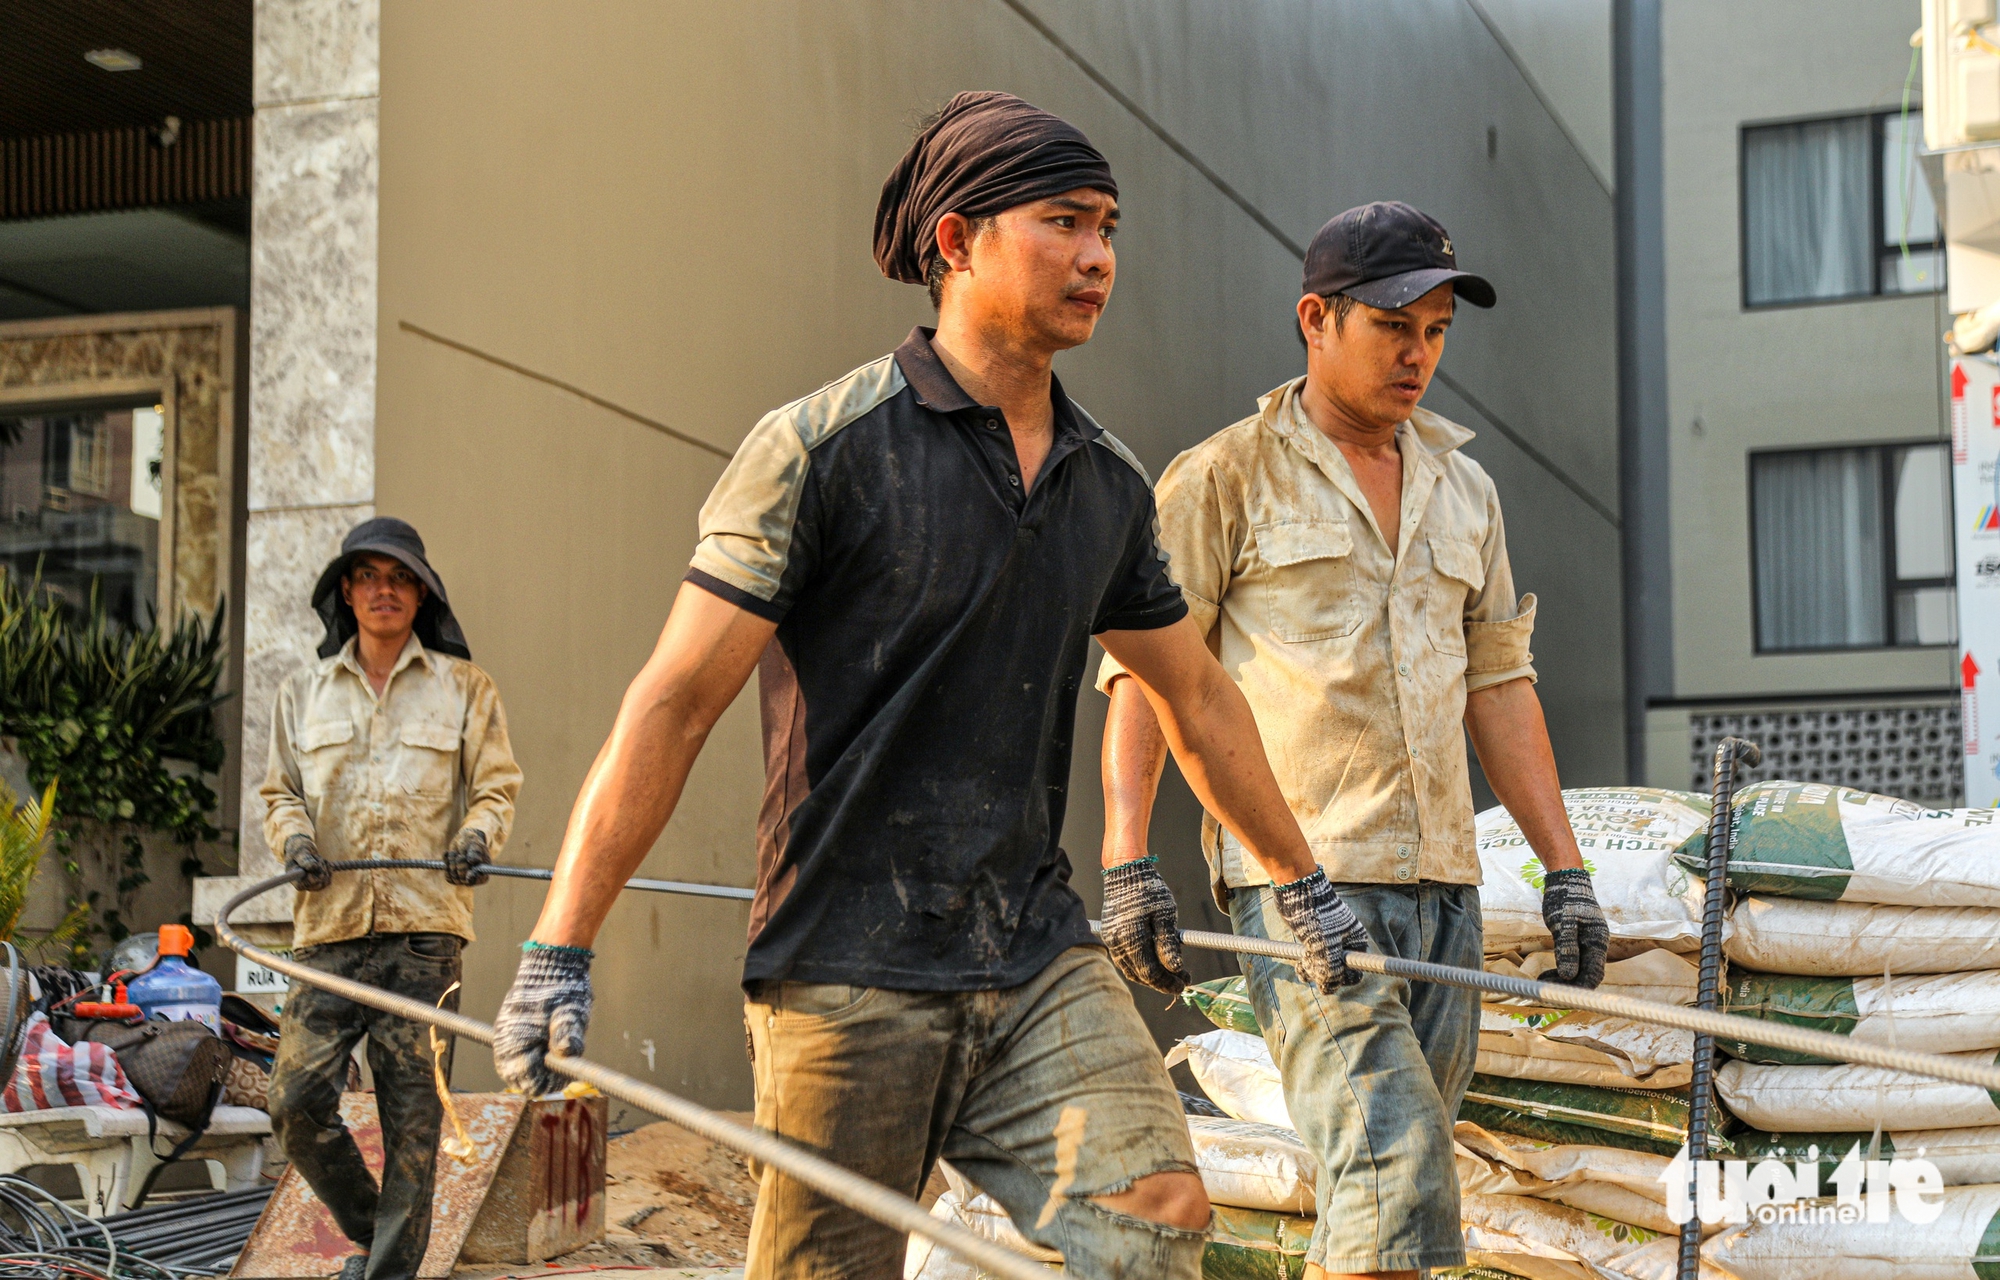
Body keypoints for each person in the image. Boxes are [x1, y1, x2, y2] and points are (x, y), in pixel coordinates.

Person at [488, 91, 1368, 1280]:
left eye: (1108, 227)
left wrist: (1299, 881)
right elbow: (674, 700)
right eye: (1064, 221)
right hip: (845, 965)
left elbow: (1197, 699)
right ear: (955, 241)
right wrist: (562, 945)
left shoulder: (1103, 486)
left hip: (1032, 945)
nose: (1099, 256)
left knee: (1157, 1204)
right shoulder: (820, 450)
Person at [1096, 201, 1610, 1280]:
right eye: (1392, 327)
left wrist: (1563, 871)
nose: (1418, 354)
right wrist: (1128, 860)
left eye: (1434, 331)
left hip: (1444, 890)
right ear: (1314, 319)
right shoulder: (1225, 476)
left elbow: (1499, 686)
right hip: (1303, 888)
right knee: (1394, 1174)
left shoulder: (1464, 490)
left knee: (1381, 1209)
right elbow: (1151, 674)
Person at [261, 517, 522, 1280]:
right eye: (369, 576)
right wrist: (297, 848)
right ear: (346, 591)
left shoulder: (466, 688)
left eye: (399, 577)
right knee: (296, 1103)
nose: (384, 590)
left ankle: (387, 1273)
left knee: (413, 1122)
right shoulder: (300, 693)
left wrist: (476, 842)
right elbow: (281, 794)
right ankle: (383, 1236)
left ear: (421, 593)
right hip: (328, 931)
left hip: (423, 936)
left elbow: (497, 788)